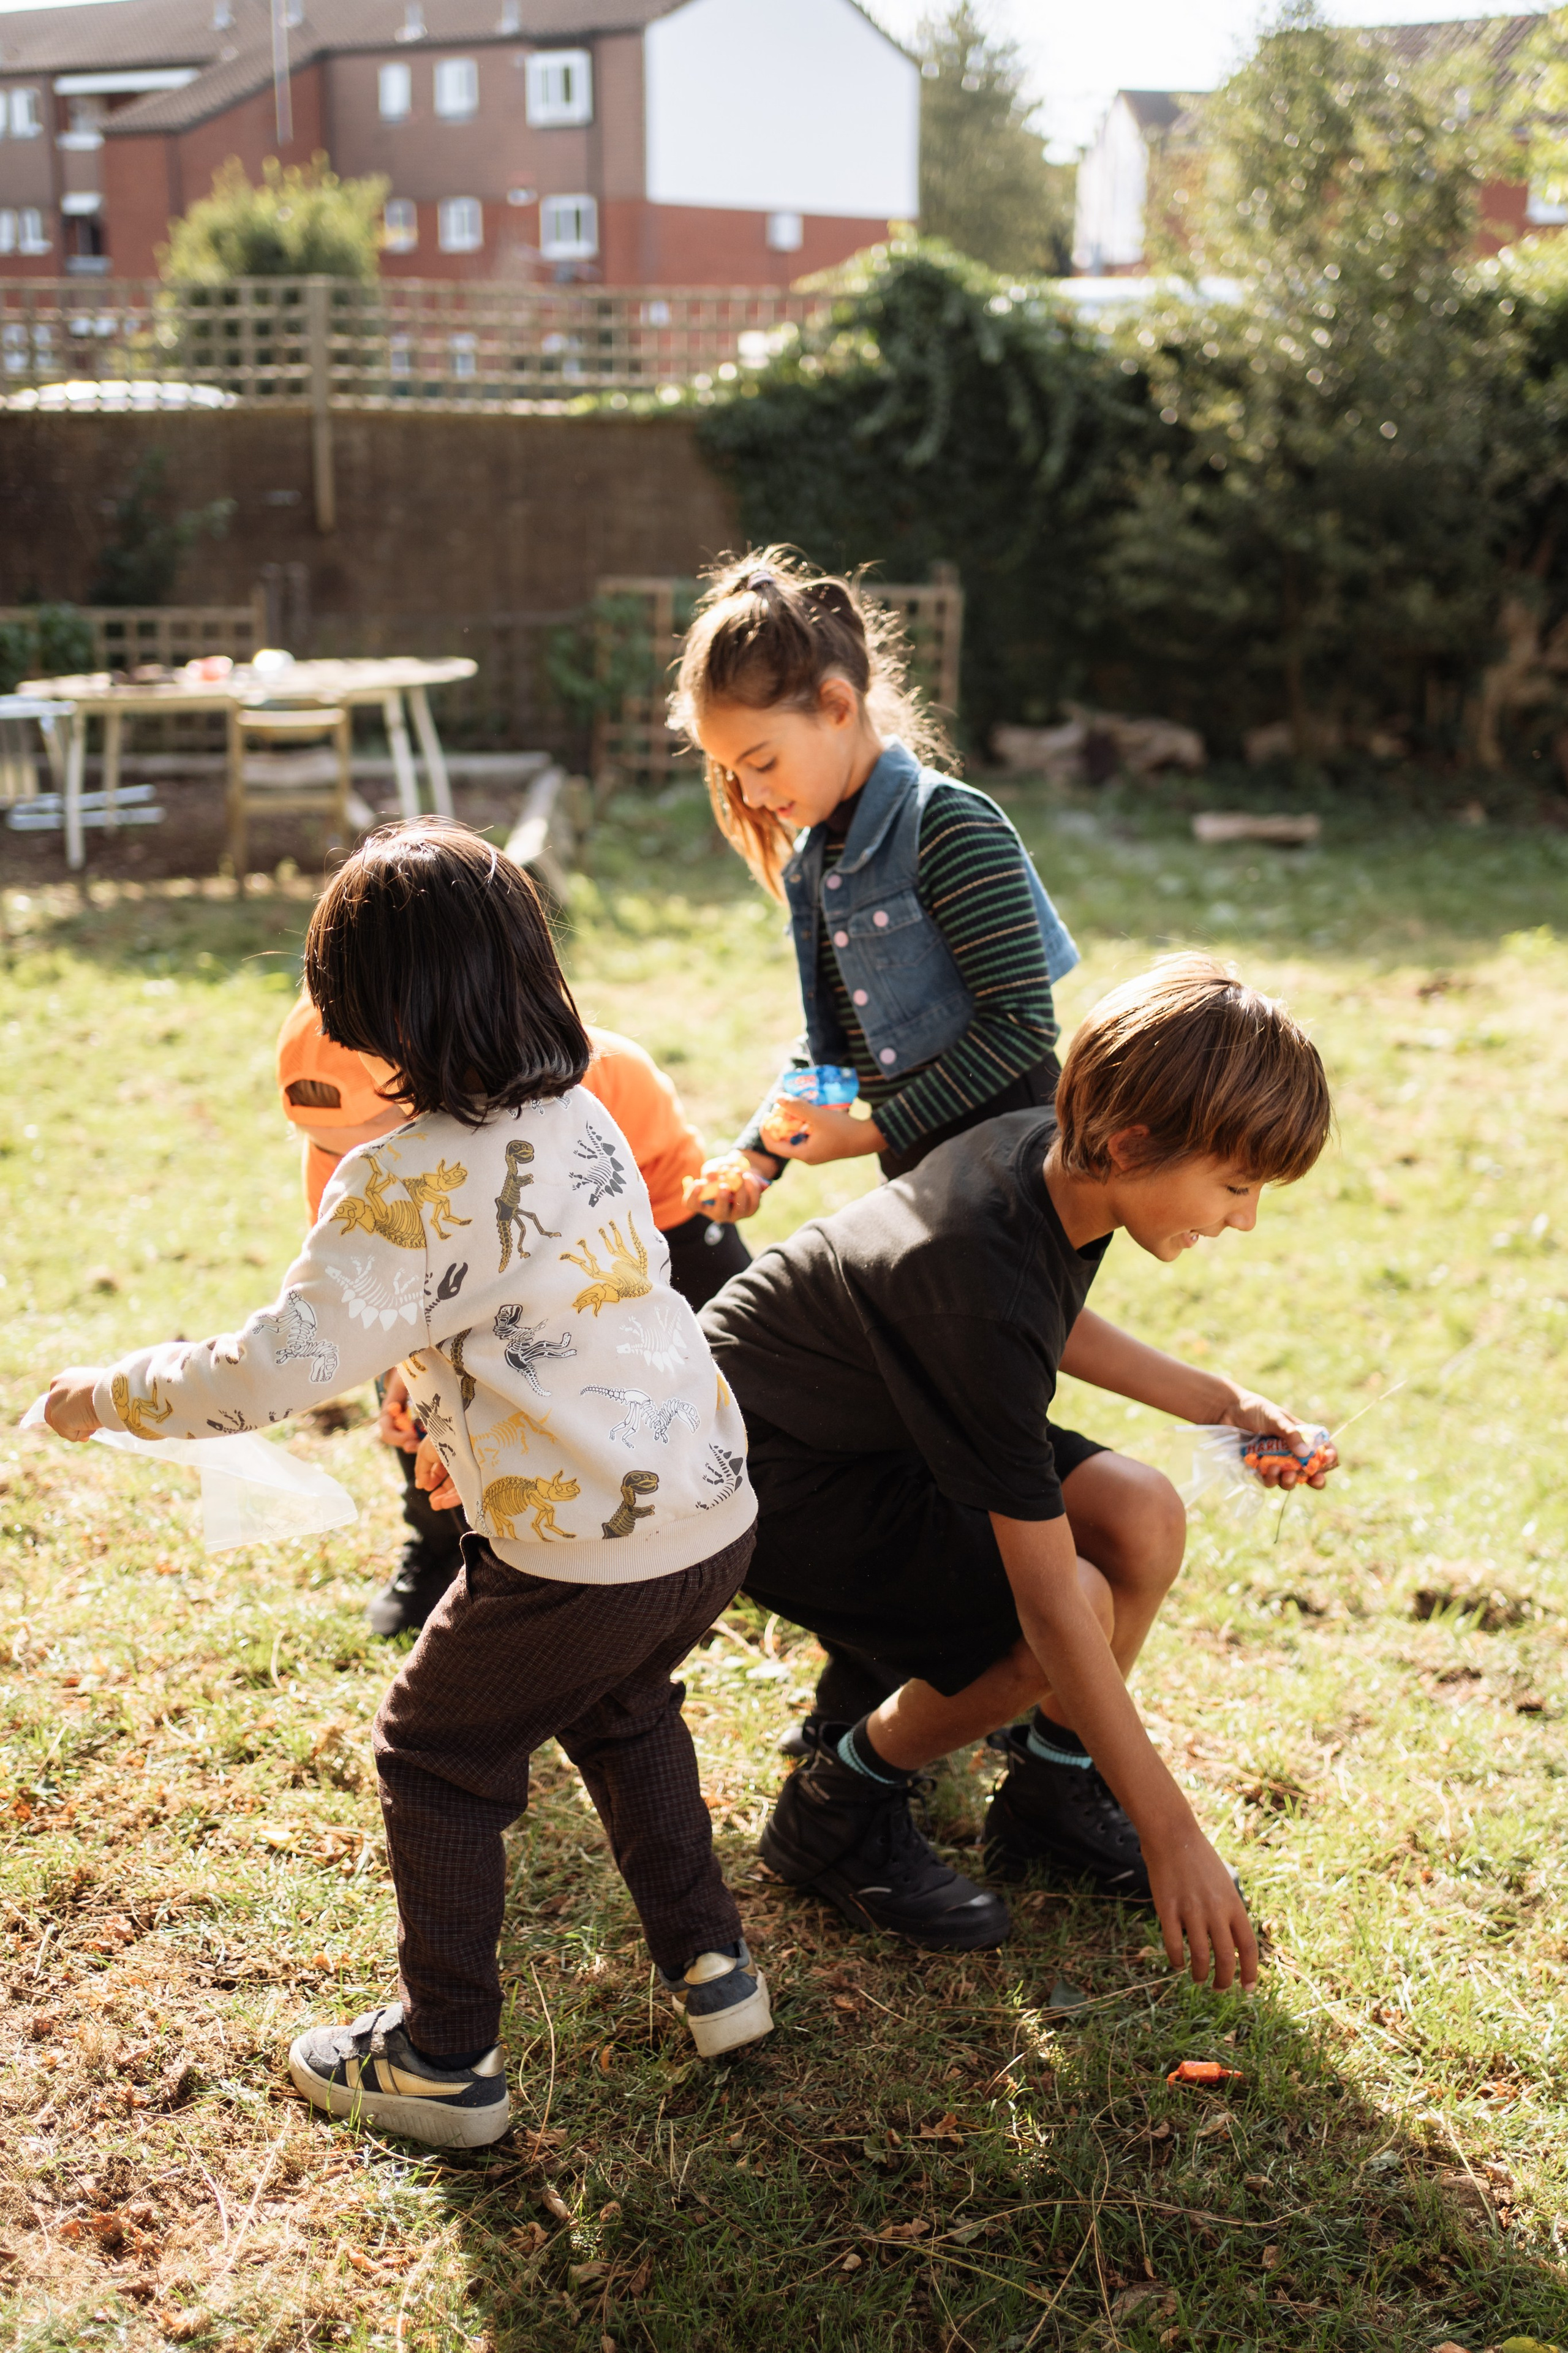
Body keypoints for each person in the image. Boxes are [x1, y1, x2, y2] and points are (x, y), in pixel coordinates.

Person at [45, 820, 770, 2150]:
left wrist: (110, 1393)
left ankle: (443, 2059)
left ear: (371, 1008)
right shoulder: (582, 1110)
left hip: (579, 1546)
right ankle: (715, 1971)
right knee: (623, 1707)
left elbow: (270, 1370)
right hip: (709, 1504)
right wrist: (451, 1405)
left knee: (434, 1754)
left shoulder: (400, 1175)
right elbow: (566, 1312)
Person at [701, 956, 1336, 1992]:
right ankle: (840, 1804)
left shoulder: (1055, 1153)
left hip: (895, 1415)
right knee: (1068, 1608)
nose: (1245, 1218)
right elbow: (1049, 1602)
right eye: (1234, 1184)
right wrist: (1171, 1829)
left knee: (1143, 1510)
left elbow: (1052, 1317)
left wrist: (1222, 1404)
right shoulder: (977, 1279)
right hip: (768, 1472)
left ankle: (1049, 1799)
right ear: (1133, 1143)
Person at [669, 544, 1080, 1746]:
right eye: (724, 773)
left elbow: (1020, 1036)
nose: (746, 795)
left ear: (837, 708)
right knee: (904, 1447)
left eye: (759, 762)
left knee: (964, 1454)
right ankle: (905, 1684)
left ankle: (1024, 1722)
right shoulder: (815, 867)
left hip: (1010, 1206)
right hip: (923, 1213)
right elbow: (826, 1047)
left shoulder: (951, 828)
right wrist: (759, 1155)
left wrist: (872, 1129)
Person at [278, 1002, 751, 1636]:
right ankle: (444, 1541)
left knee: (726, 1349)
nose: (362, 1169)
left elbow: (624, 1253)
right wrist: (407, 1362)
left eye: (384, 1140)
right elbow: (369, 1294)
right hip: (480, 1255)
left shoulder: (605, 1077)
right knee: (410, 1370)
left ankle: (729, 1510)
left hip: (647, 1222)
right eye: (334, 1153)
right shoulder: (351, 1166)